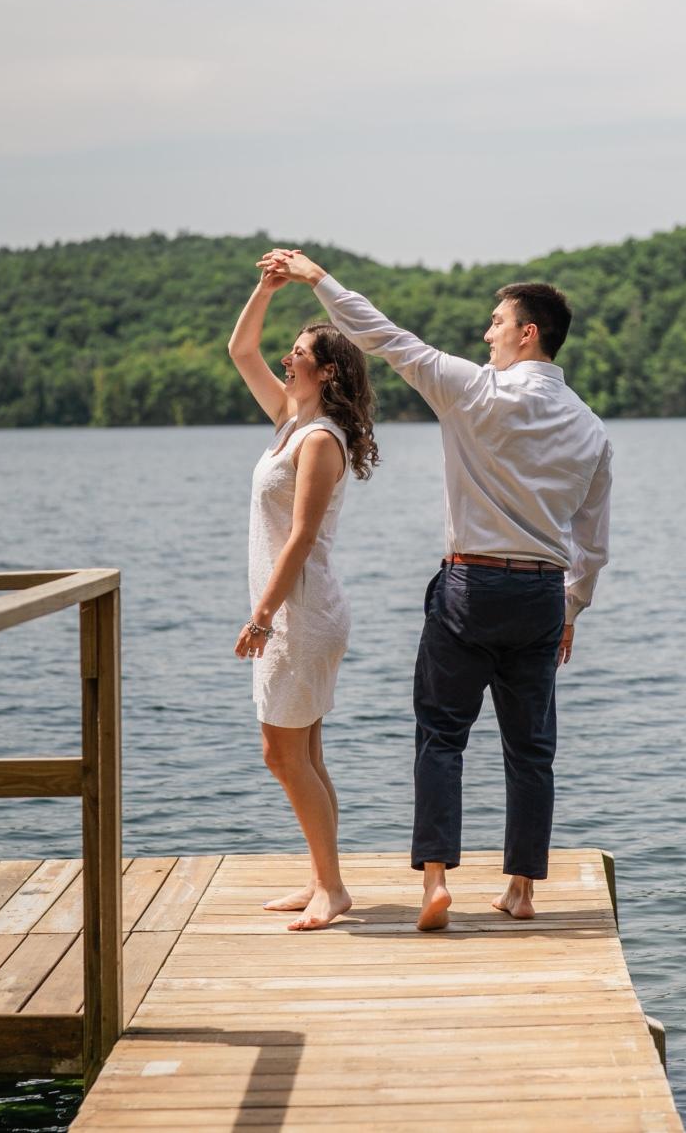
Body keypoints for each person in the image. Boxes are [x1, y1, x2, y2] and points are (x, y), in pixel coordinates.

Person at [262, 248, 612, 931]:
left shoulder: (474, 390)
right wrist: (571, 608)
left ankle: (434, 885)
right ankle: (520, 890)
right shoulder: (590, 429)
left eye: (496, 322)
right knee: (531, 749)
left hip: (470, 586)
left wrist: (317, 279)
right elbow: (592, 544)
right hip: (542, 594)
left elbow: (383, 336)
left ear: (526, 333)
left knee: (441, 736)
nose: (487, 334)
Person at [228, 263, 380, 931]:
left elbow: (300, 538)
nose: (287, 359)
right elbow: (239, 351)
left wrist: (261, 616)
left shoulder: (319, 440)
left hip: (301, 613)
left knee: (282, 753)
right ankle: (325, 880)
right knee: (303, 753)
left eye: (301, 354)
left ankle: (331, 887)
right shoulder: (291, 421)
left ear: (328, 374)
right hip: (293, 611)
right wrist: (266, 290)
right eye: (289, 351)